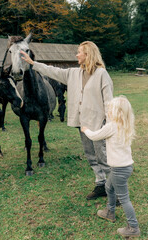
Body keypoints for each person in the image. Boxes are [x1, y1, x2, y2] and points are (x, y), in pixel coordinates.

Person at [21, 41, 113, 200]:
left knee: (103, 157)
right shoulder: (74, 73)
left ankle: (115, 191)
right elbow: (52, 71)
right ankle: (101, 185)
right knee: (91, 155)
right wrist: (32, 63)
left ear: (88, 55)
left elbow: (109, 101)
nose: (76, 55)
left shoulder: (101, 74)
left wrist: (109, 124)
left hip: (98, 124)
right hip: (83, 124)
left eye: (79, 52)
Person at [81, 96, 140, 238]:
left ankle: (133, 228)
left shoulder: (112, 126)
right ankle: (110, 211)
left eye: (109, 110)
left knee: (124, 198)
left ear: (115, 112)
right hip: (125, 167)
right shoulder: (125, 125)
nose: (107, 112)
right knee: (108, 187)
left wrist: (85, 130)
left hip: (119, 169)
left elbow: (95, 136)